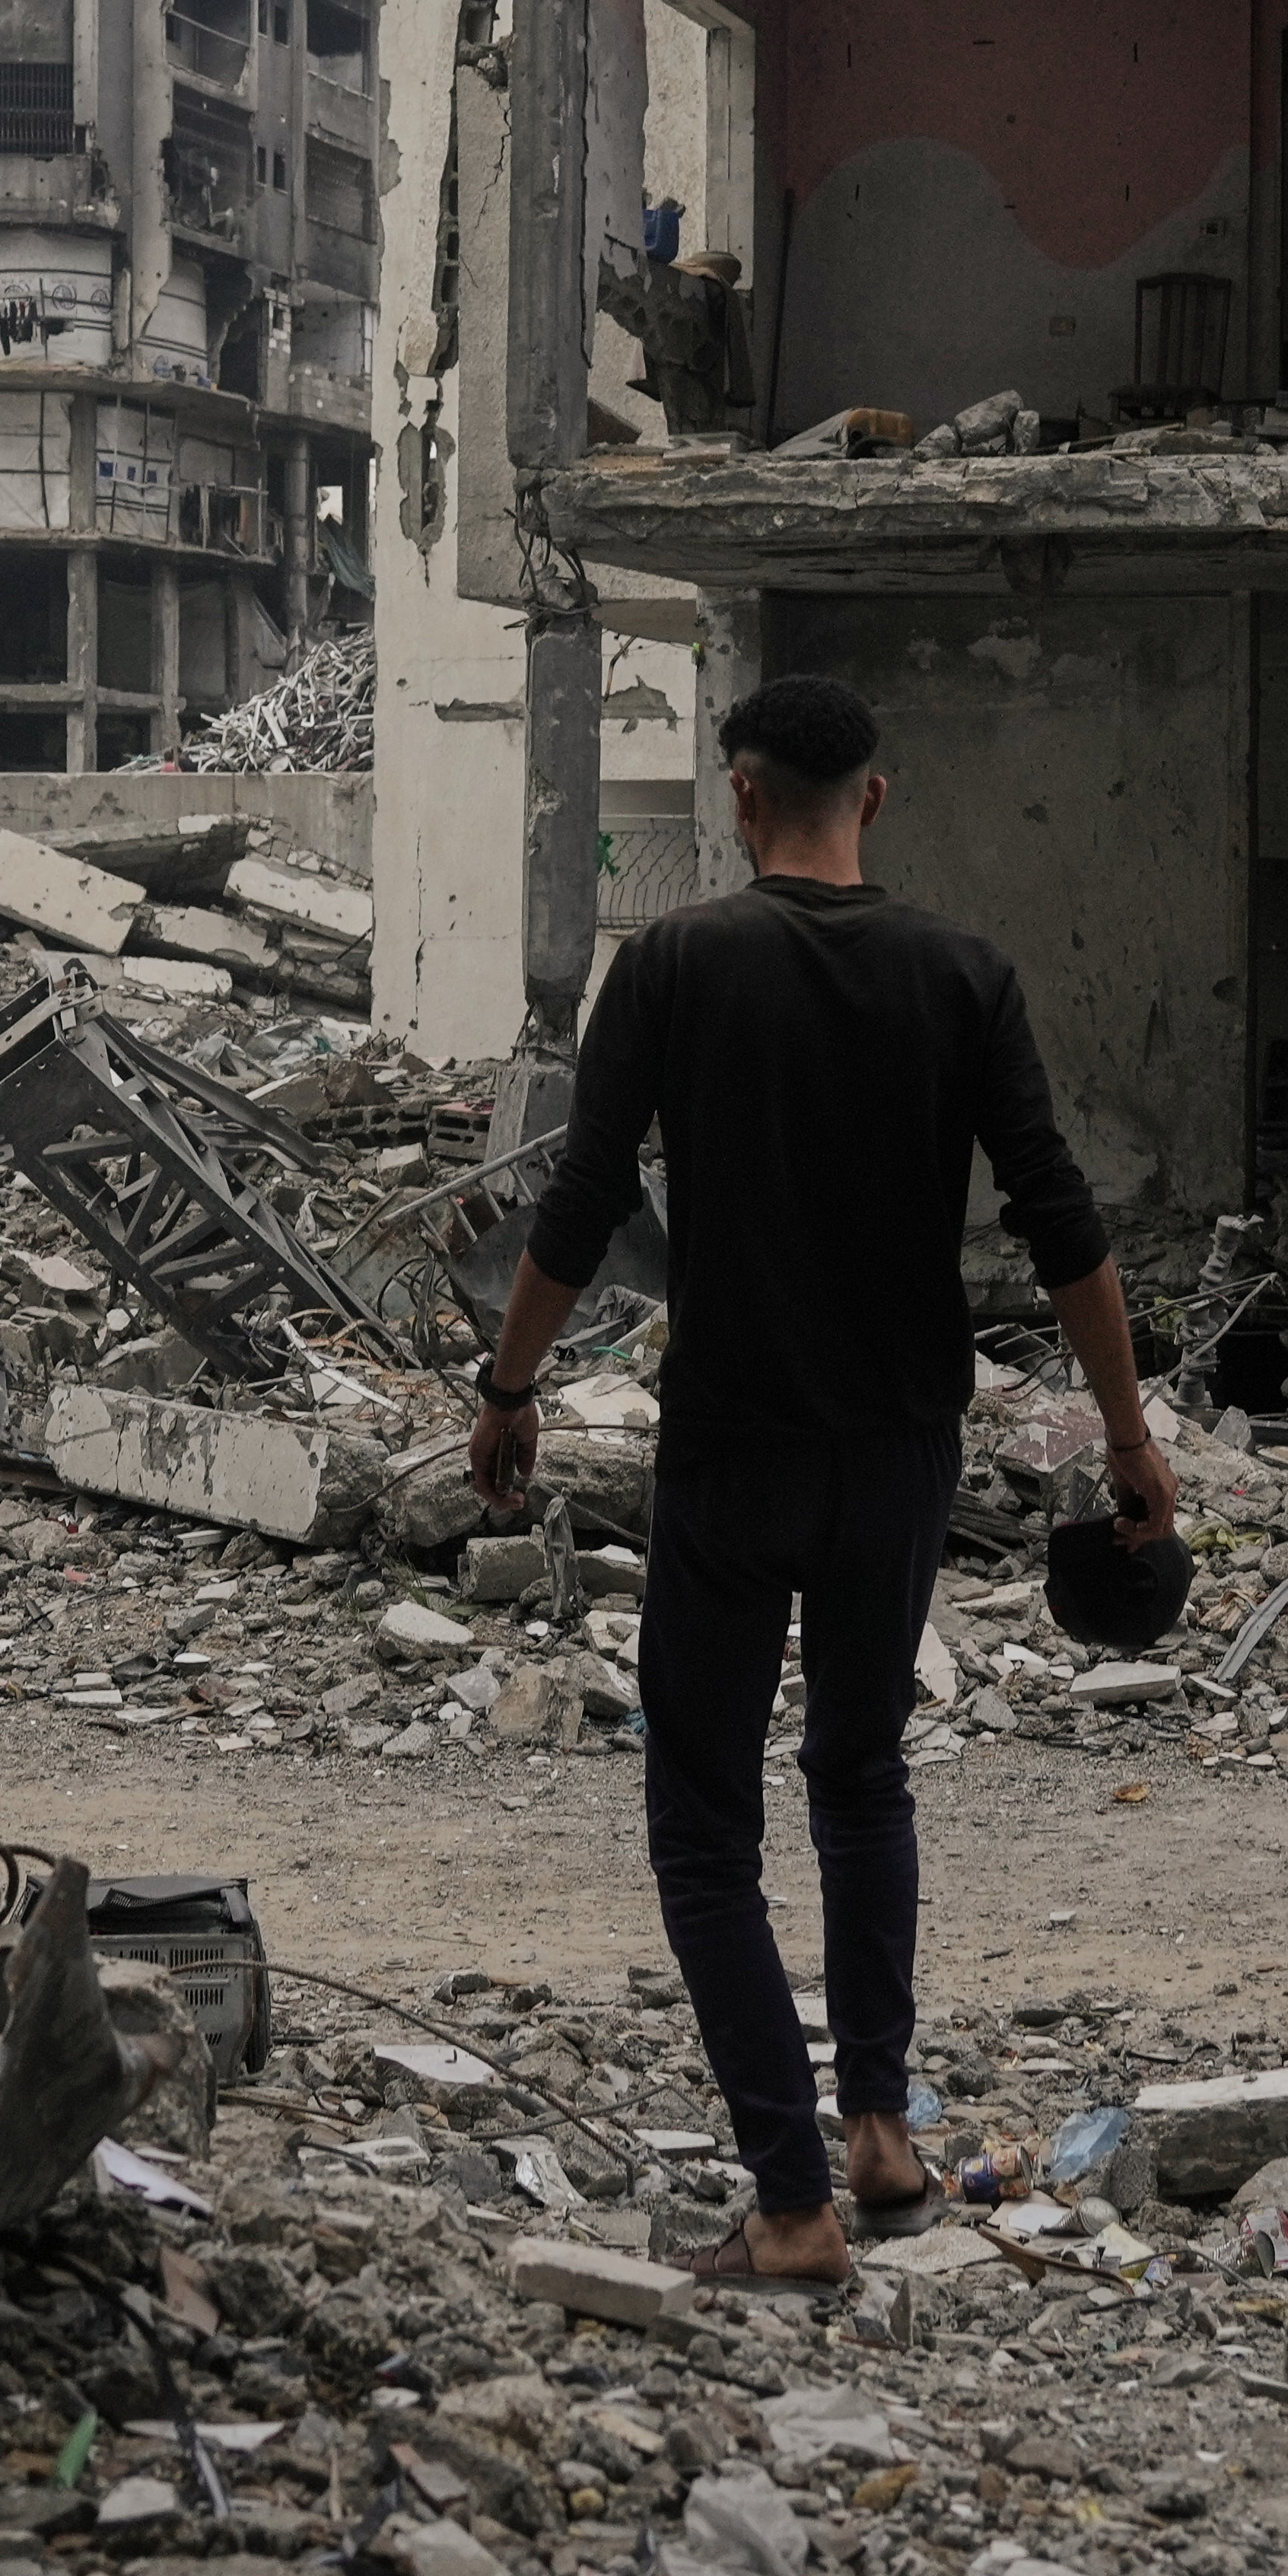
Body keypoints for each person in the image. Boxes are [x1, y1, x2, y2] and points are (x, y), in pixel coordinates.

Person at [471, 675, 1181, 2289]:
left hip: (735, 1445)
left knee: (705, 1825)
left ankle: (790, 2206)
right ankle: (879, 2135)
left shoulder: (673, 964)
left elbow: (580, 1201)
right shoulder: (963, 974)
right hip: (899, 1454)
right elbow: (1061, 1219)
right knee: (860, 1779)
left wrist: (509, 1387)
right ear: (874, 796)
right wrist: (1129, 1438)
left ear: (740, 796)